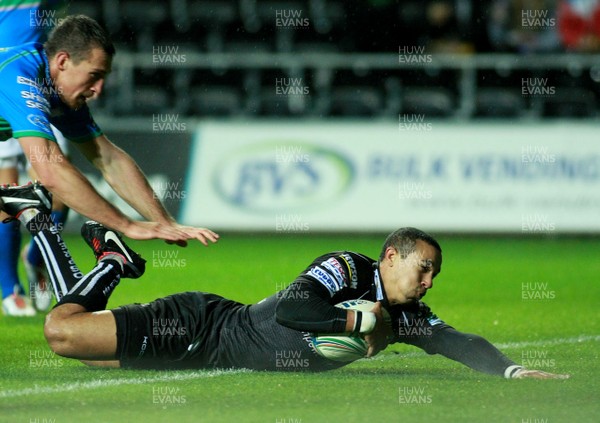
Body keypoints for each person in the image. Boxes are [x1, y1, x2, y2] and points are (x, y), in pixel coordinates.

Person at [0, 182, 570, 379]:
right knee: (63, 334)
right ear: (391, 256)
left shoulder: (408, 317)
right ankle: (87, 246)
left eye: (435, 275)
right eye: (423, 268)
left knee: (86, 353)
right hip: (203, 324)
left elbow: (457, 341)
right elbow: (298, 309)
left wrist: (511, 370)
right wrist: (359, 319)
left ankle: (84, 250)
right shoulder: (348, 268)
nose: (428, 282)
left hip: (210, 357)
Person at [0, 16, 218, 266]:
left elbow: (108, 159)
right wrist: (127, 225)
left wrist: (164, 223)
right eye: (94, 76)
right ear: (63, 61)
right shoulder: (18, 76)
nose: (98, 89)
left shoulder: (57, 90)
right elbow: (50, 169)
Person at [0, 0, 70, 315]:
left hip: (36, 85)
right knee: (8, 195)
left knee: (58, 194)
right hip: (2, 88)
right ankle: (10, 289)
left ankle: (35, 259)